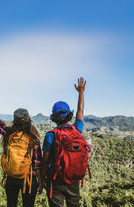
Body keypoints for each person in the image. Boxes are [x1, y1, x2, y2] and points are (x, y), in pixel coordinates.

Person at [40, 77, 87, 207]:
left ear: (54, 117)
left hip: (55, 180)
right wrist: (81, 93)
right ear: (68, 116)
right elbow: (80, 111)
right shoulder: (77, 130)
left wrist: (42, 180)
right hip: (73, 179)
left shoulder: (51, 135)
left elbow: (45, 161)